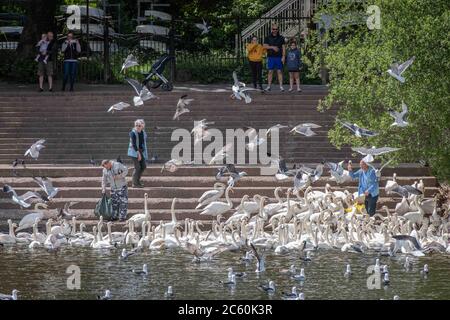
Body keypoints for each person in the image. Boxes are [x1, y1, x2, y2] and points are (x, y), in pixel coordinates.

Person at [263, 23, 286, 92]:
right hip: (270, 57)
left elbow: (284, 48)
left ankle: (281, 87)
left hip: (279, 57)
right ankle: (269, 86)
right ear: (271, 29)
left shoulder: (281, 38)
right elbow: (264, 46)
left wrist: (284, 56)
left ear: (278, 29)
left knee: (279, 71)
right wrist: (272, 47)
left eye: (276, 29)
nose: (275, 30)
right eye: (273, 29)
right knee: (270, 71)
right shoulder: (267, 37)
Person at [128, 119, 148, 188]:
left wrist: (141, 152)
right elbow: (134, 144)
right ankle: (134, 183)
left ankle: (137, 181)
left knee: (143, 166)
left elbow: (143, 143)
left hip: (140, 151)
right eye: (136, 125)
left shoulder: (143, 133)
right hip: (134, 152)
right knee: (137, 167)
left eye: (139, 125)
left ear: (142, 126)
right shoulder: (133, 133)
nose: (138, 127)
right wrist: (138, 153)